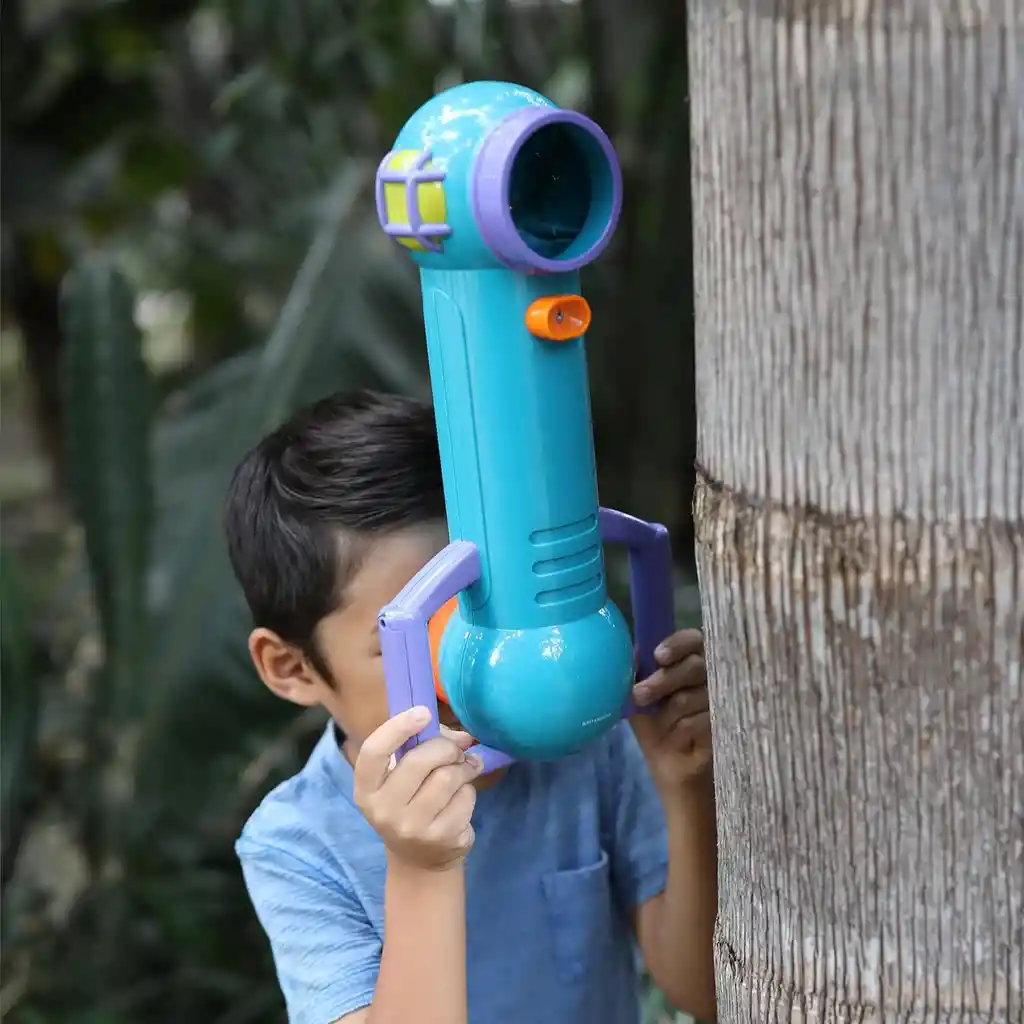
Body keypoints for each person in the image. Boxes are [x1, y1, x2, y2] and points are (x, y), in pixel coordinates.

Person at [223, 390, 718, 1024]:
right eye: (420, 635)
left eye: (488, 615)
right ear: (292, 668)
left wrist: (685, 789)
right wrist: (421, 868)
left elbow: (705, 995)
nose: (476, 673)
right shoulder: (295, 843)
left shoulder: (586, 747)